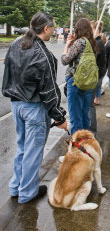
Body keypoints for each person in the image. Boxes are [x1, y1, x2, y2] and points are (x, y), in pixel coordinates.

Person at [2, 12, 67, 203]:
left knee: (22, 148)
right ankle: (27, 192)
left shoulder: (16, 43)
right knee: (32, 152)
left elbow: (8, 74)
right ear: (46, 29)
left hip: (17, 105)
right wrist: (59, 117)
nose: (53, 32)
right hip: (34, 108)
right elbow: (49, 91)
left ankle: (16, 186)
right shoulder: (43, 55)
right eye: (53, 28)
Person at [61, 18, 99, 134]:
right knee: (84, 116)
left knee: (75, 117)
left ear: (78, 29)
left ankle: (77, 146)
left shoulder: (80, 42)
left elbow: (65, 60)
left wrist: (67, 46)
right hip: (88, 83)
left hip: (76, 82)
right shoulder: (93, 43)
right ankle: (85, 142)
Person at [89, 20, 107, 135]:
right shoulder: (98, 42)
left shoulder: (97, 43)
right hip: (98, 74)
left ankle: (91, 131)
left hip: (95, 76)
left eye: (91, 28)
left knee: (89, 105)